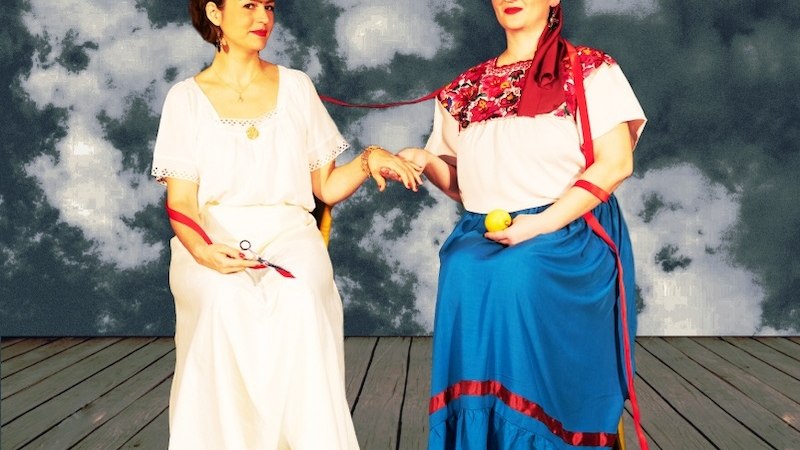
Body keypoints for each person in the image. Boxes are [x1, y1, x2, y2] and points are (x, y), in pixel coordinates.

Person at [150, 1, 422, 448]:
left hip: (291, 232)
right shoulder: (185, 98)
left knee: (297, 300)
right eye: (249, 5)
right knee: (224, 300)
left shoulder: (297, 87)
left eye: (269, 7)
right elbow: (181, 200)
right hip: (210, 234)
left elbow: (327, 187)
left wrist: (372, 158)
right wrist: (203, 252)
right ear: (215, 13)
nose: (263, 18)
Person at [397, 0, 647, 448]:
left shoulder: (591, 70)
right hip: (483, 232)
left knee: (518, 274)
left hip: (568, 231)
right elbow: (464, 186)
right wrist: (424, 162)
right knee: (463, 268)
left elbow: (615, 164)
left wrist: (540, 224)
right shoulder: (464, 89)